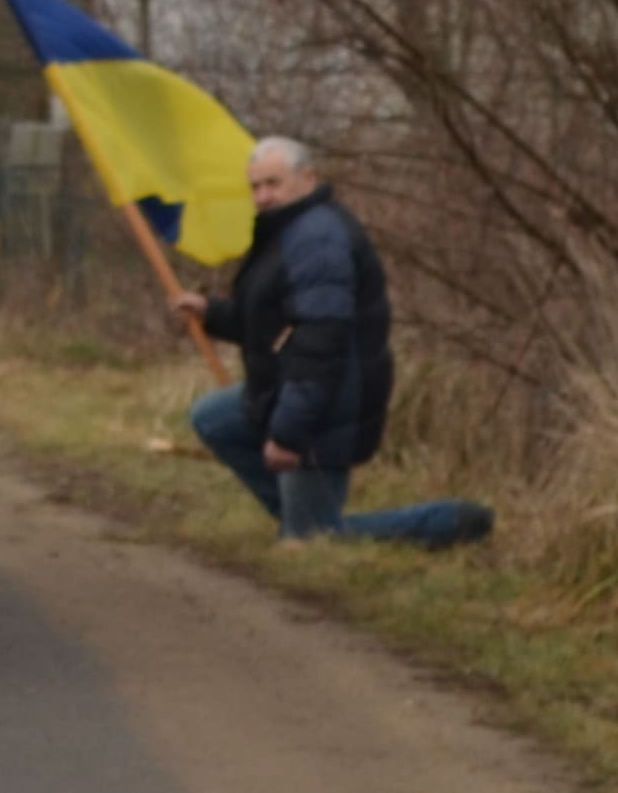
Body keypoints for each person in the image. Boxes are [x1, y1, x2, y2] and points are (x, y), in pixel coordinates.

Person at [185, 138, 491, 549]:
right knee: (213, 417)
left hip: (327, 405)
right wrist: (210, 312)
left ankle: (448, 523)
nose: (262, 196)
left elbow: (319, 344)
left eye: (272, 184)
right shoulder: (286, 232)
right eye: (255, 187)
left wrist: (289, 433)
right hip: (288, 393)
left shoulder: (318, 240)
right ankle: (301, 521)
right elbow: (270, 323)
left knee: (314, 542)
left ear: (307, 179)